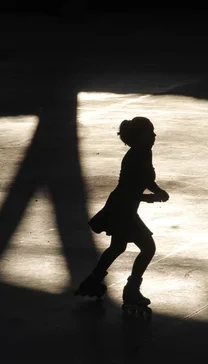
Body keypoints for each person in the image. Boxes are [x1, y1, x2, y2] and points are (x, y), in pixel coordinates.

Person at [75, 117, 169, 307]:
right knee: (148, 248)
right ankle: (131, 290)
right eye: (150, 133)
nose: (154, 136)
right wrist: (150, 198)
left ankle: (94, 281)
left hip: (125, 207)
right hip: (122, 207)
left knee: (118, 247)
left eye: (153, 132)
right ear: (138, 137)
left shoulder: (145, 152)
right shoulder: (133, 157)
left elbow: (147, 179)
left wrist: (157, 190)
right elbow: (128, 192)